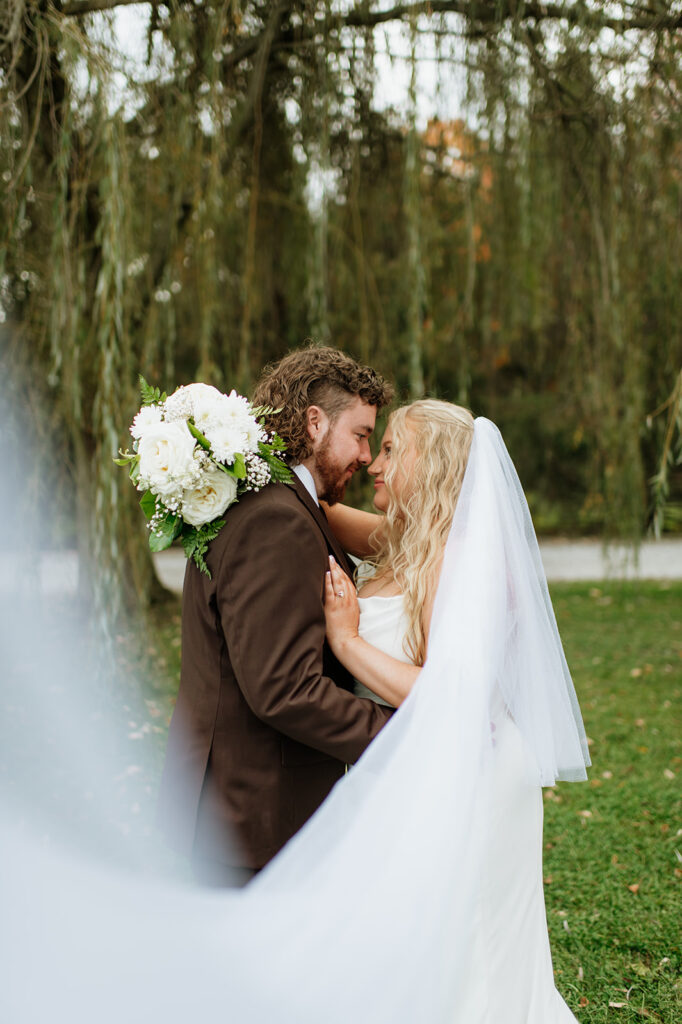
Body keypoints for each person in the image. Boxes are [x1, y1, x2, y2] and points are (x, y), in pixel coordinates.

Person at [315, 399, 590, 1022]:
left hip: (477, 777)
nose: (374, 464)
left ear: (430, 461)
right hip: (427, 770)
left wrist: (347, 642)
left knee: (477, 960)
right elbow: (323, 513)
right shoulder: (408, 538)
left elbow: (449, 695)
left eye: (389, 449)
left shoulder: (459, 556)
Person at [156, 345, 394, 885]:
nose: (364, 455)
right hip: (254, 815)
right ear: (314, 422)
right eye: (359, 435)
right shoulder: (275, 519)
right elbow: (284, 689)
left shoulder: (255, 497)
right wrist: (397, 733)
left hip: (231, 810)